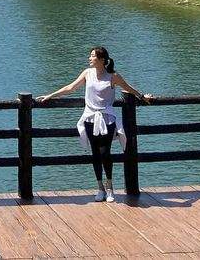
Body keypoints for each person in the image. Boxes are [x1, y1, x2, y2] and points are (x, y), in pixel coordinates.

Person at [36, 46, 152, 202]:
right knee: (95, 154)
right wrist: (50, 95)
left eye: (92, 56)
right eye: (90, 56)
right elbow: (71, 87)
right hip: (90, 118)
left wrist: (142, 96)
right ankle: (100, 188)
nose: (89, 58)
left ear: (102, 59)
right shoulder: (87, 73)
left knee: (106, 153)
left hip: (108, 118)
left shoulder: (113, 76)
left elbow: (128, 88)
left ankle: (110, 187)